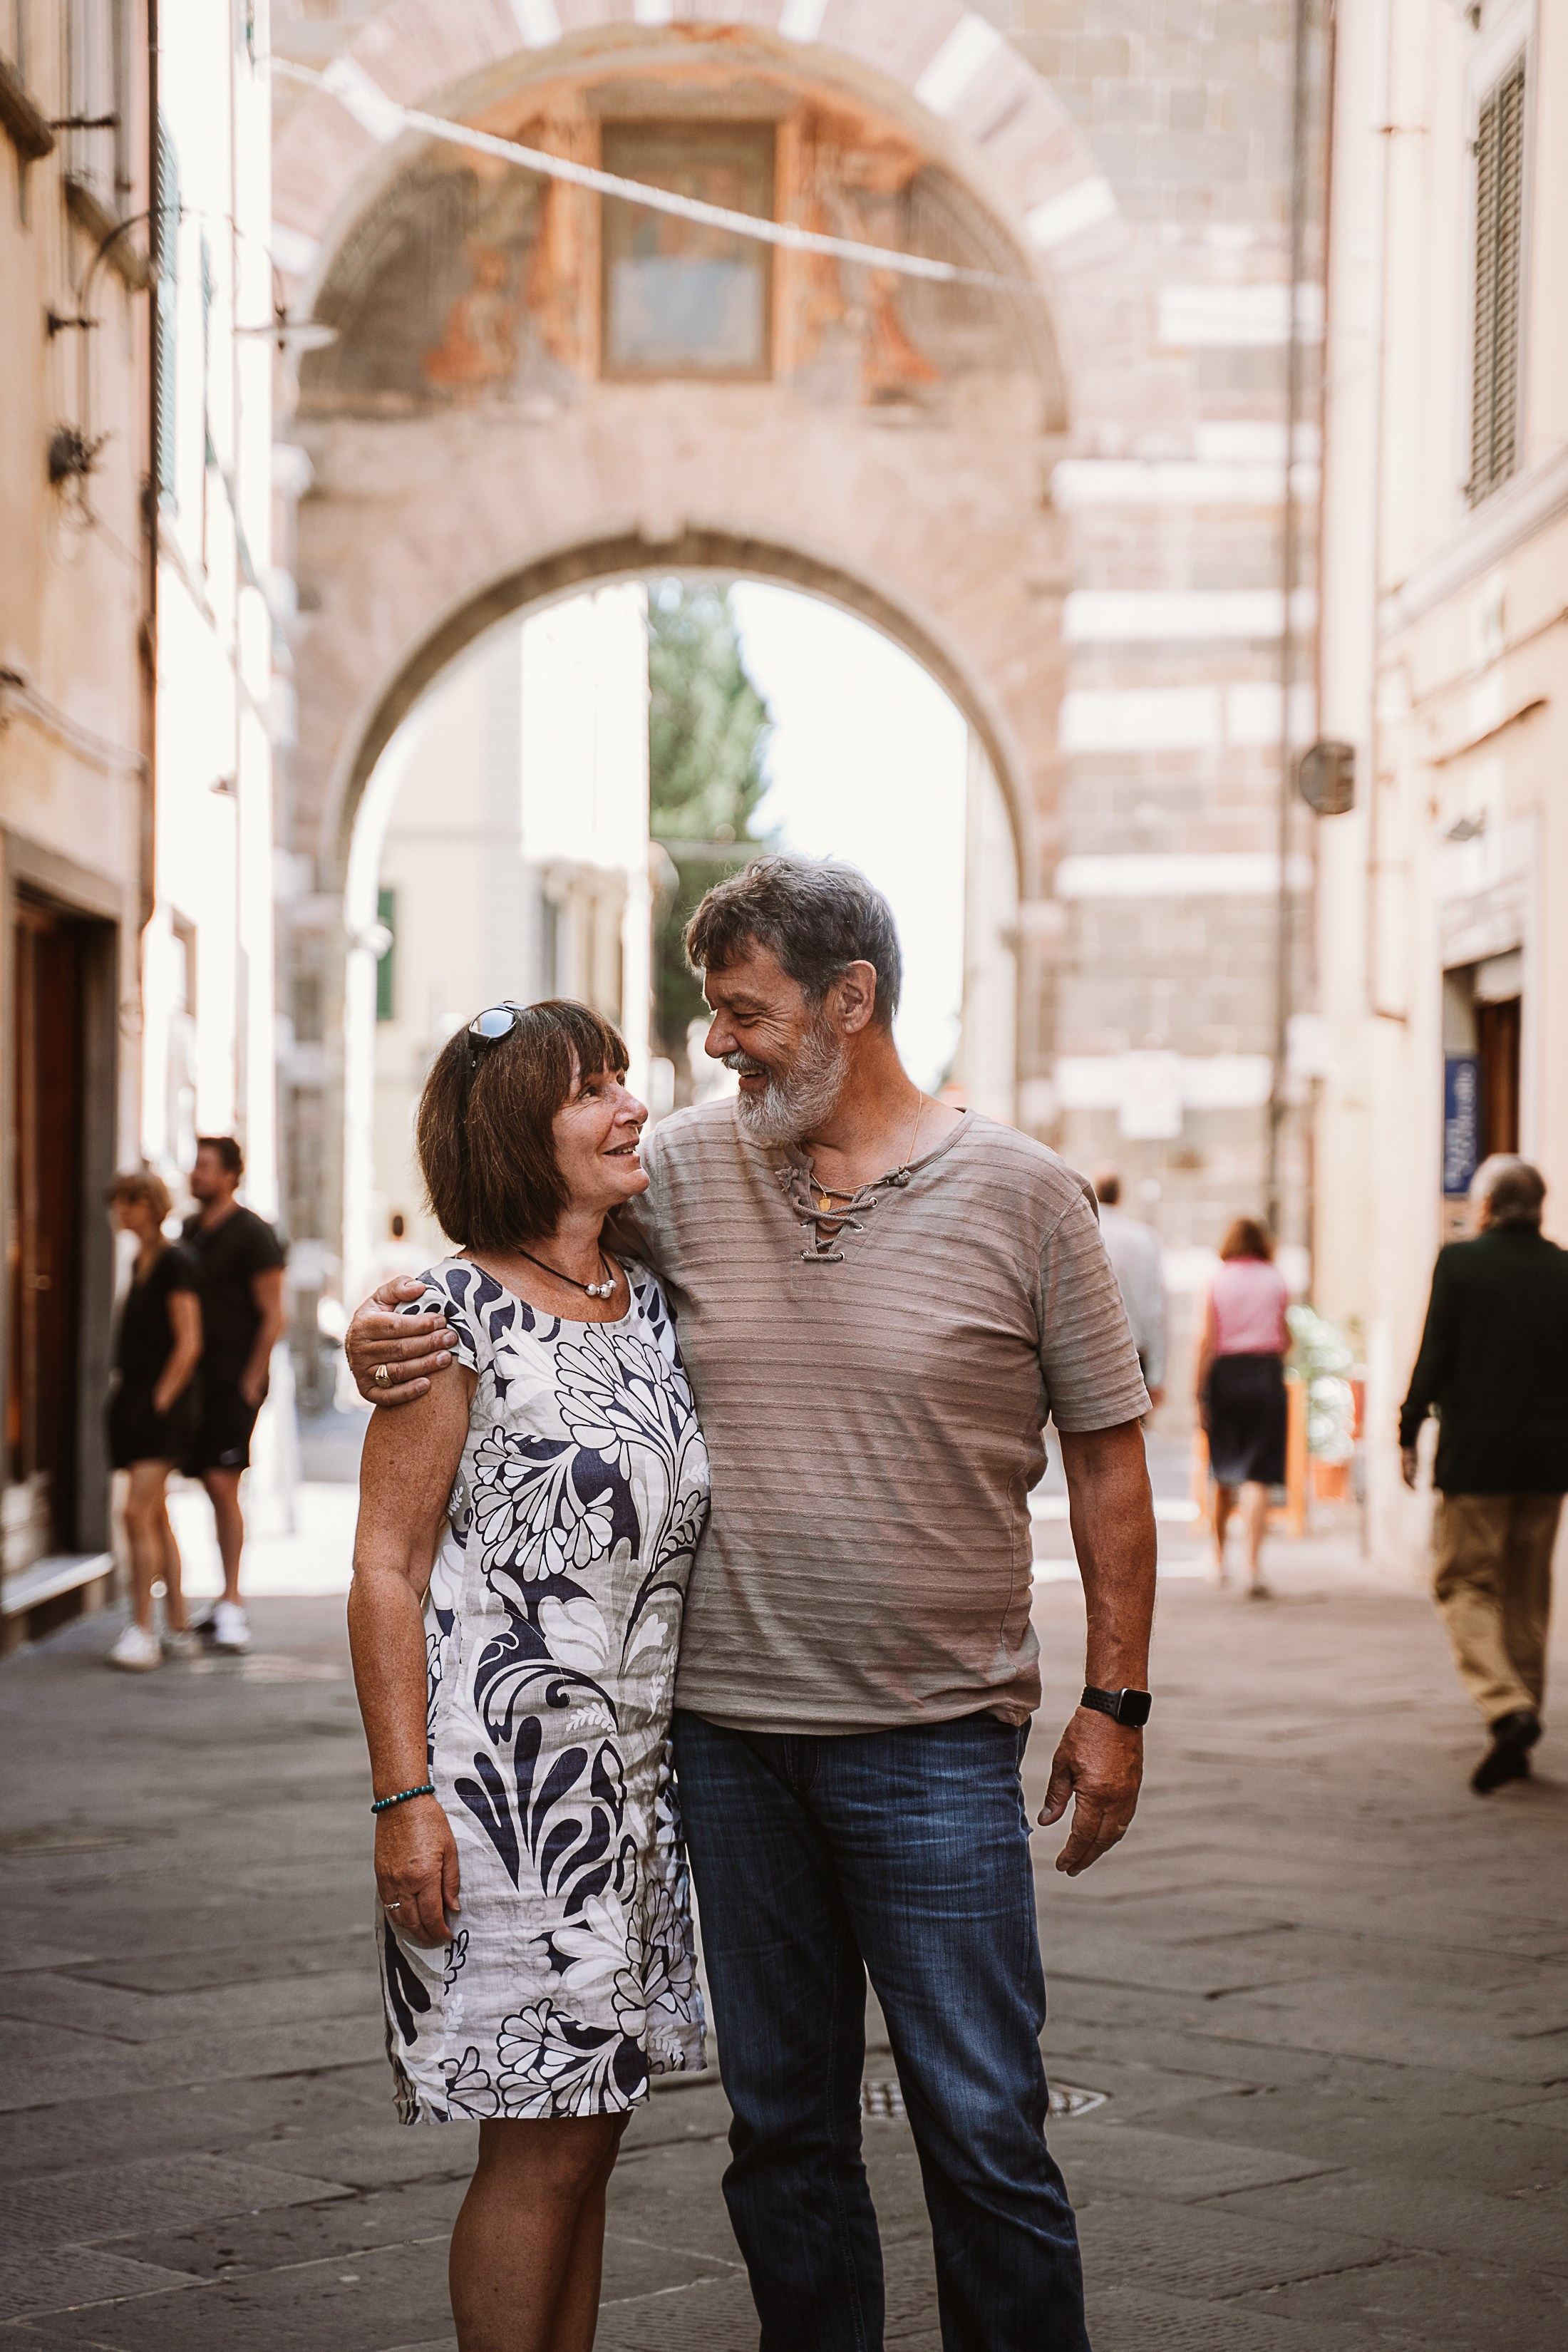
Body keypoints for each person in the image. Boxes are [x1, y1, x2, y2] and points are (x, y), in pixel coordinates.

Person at [351, 856, 1157, 2352]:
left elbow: (1108, 1466)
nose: (710, 1048)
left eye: (742, 1013)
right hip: (715, 1755)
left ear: (850, 1003)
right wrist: (383, 1331)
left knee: (984, 2129)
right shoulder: (686, 1176)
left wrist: (1116, 1701)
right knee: (779, 2138)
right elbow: (509, 1281)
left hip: (929, 1742)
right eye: (706, 1017)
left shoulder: (1027, 1195)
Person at [350, 999, 707, 2352]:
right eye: (592, 1090)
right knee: (538, 2147)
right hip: (502, 1800)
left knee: (592, 2132)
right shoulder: (446, 1316)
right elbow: (385, 1567)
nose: (632, 1106)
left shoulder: (651, 1300)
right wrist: (402, 1801)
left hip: (638, 1798)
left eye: (626, 1078)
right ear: (514, 1129)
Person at [1400, 1155, 1568, 1795]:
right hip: (1550, 1462)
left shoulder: (1461, 1264)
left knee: (1463, 1584)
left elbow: (1435, 1351)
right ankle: (1517, 1733)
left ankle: (1506, 1706)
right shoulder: (1563, 1270)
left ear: (1489, 1209)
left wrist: (1410, 1427)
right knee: (1528, 1596)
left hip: (1478, 1462)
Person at [182, 1136, 287, 1654]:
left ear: (230, 1175)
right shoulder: (190, 1231)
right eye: (195, 1165)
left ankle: (233, 1604)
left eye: (204, 1166)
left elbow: (273, 1313)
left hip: (232, 1381)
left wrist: (252, 1377)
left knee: (224, 1484)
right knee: (207, 1482)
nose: (194, 1174)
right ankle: (220, 1602)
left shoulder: (253, 1234)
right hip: (194, 1381)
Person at [103, 1170, 204, 1673]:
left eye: (133, 1201)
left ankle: (142, 1628)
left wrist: (160, 1400)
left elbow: (189, 1341)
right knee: (156, 1514)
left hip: (158, 1408)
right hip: (134, 1401)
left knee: (134, 1514)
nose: (123, 1209)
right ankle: (179, 1625)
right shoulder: (139, 1260)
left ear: (154, 1205)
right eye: (118, 1201)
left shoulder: (174, 1262)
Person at [1195, 1217, 1289, 1597]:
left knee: (1221, 1469)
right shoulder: (1276, 1279)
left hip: (1226, 1376)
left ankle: (1218, 1561)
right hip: (1265, 1374)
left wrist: (1198, 1391)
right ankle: (1252, 1567)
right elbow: (1284, 1335)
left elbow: (1206, 1339)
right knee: (1259, 1474)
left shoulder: (1217, 1280)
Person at [1092, 1167, 1167, 1408]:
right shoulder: (1144, 1238)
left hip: (1088, 1354)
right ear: (1119, 1195)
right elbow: (1156, 1310)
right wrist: (1157, 1374)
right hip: (1132, 1354)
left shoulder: (1083, 1233)